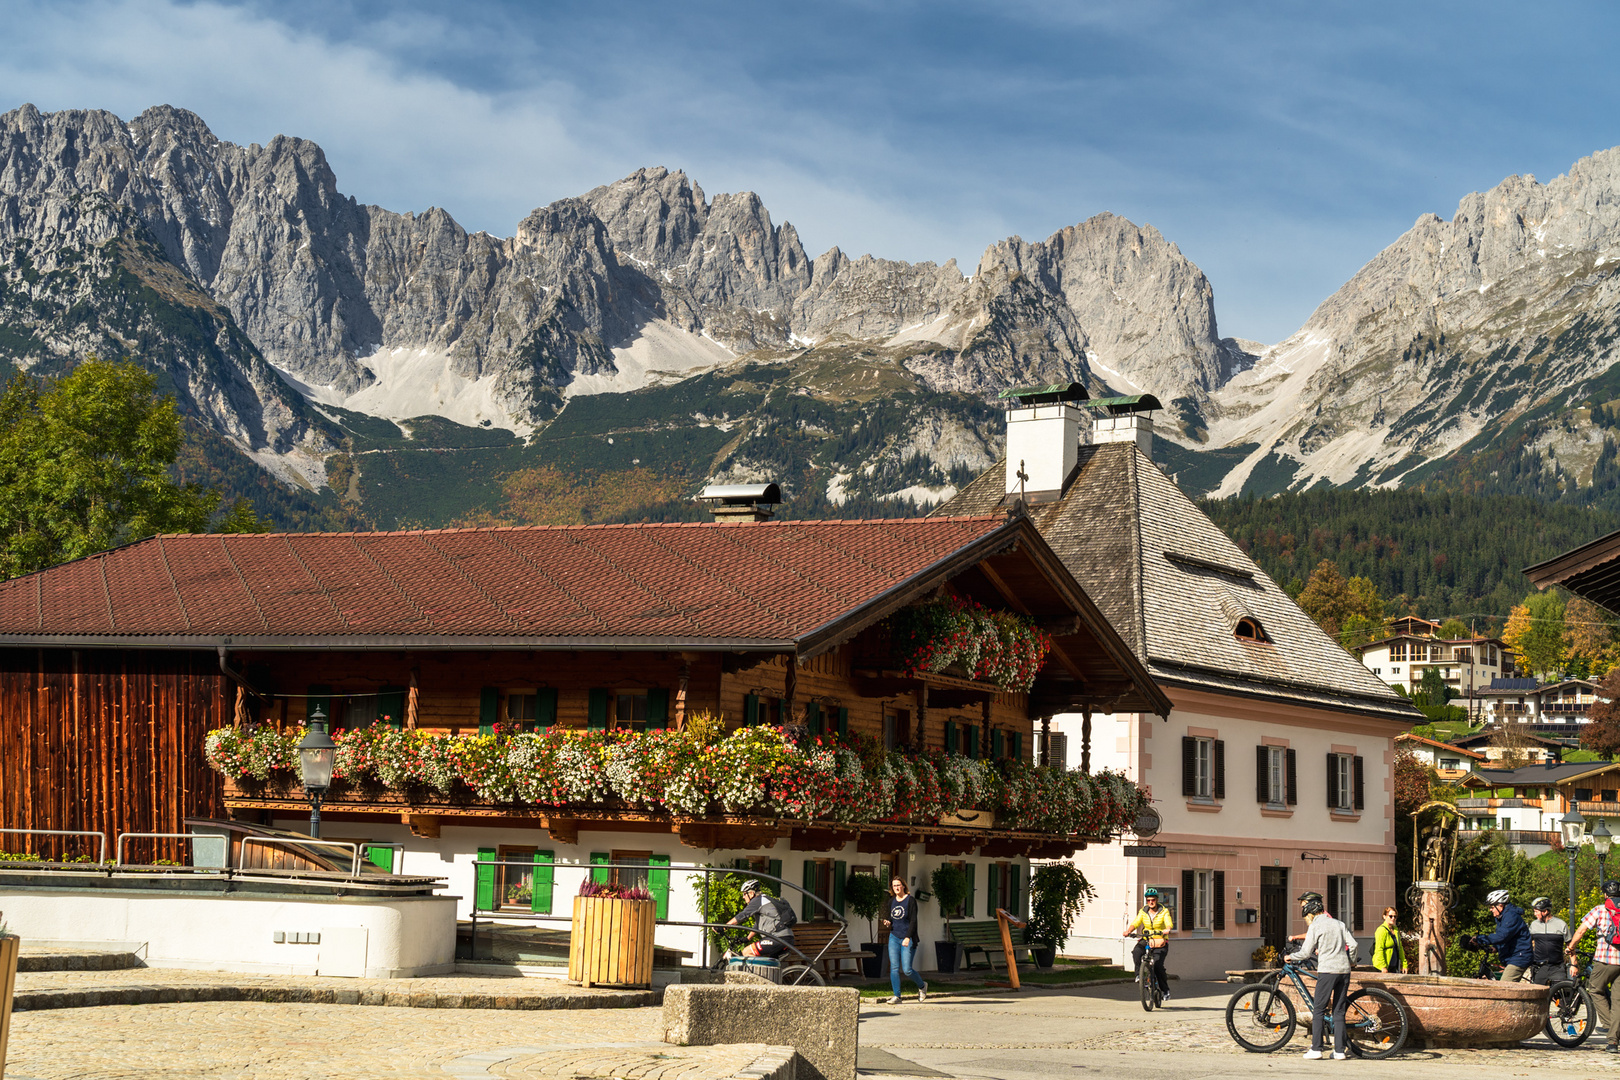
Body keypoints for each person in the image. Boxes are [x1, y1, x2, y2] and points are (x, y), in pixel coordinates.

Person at [1288, 890, 1357, 1061]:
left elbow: (1305, 953)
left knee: (1318, 1009)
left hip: (1327, 971)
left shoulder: (1315, 926)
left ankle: (1316, 1049)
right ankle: (1340, 1051)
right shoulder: (1339, 923)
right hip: (1344, 971)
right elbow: (1353, 945)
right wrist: (1352, 962)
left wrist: (1290, 957)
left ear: (1310, 912)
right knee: (1339, 1011)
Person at [1566, 879, 1620, 1055]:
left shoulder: (1600, 909)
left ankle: (1610, 1029)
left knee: (1595, 989)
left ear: (1605, 894)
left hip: (1605, 959)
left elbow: (1581, 930)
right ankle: (1613, 1040)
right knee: (1618, 1001)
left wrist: (1571, 947)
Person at [716, 879, 797, 966]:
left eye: (744, 894)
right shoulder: (764, 900)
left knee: (746, 952)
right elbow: (758, 925)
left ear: (751, 893)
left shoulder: (757, 901)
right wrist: (748, 938)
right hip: (785, 937)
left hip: (778, 937)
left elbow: (742, 915)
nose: (743, 897)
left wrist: (724, 927)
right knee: (768, 965)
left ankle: (753, 979)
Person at [1462, 888, 1533, 981]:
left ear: (1500, 906)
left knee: (1504, 987)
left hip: (1519, 957)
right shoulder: (1502, 917)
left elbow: (1502, 936)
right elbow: (1508, 938)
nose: (1490, 910)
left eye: (1492, 907)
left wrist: (1479, 938)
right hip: (1513, 956)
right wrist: (1495, 947)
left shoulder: (1511, 916)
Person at [880, 876, 927, 1004]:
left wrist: (907, 937)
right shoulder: (891, 901)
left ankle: (922, 986)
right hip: (894, 937)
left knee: (907, 970)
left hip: (908, 938)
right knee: (894, 968)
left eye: (898, 885)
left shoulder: (910, 901)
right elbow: (892, 917)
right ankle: (897, 996)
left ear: (904, 886)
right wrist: (888, 922)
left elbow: (913, 921)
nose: (896, 888)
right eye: (894, 886)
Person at [1123, 887, 1174, 1001]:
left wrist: (1167, 929)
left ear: (1157, 900)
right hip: (1146, 938)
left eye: (1153, 900)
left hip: (1160, 940)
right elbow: (1136, 922)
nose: (1151, 902)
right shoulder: (1143, 911)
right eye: (1148, 900)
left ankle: (1165, 990)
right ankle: (1138, 975)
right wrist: (1128, 931)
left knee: (1157, 965)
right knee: (1136, 952)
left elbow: (1168, 922)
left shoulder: (1164, 911)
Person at [1526, 897, 1572, 986]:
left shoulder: (1561, 924)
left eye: (1536, 911)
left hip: (1557, 967)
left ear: (1545, 911)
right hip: (1539, 967)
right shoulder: (1534, 925)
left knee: (1563, 994)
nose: (1534, 914)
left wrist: (1574, 965)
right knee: (1537, 994)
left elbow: (1570, 946)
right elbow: (1526, 943)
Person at [1372, 906, 1405, 974]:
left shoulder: (1395, 930)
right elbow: (1379, 949)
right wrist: (1382, 966)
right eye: (1390, 916)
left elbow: (1400, 948)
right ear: (1384, 916)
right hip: (1383, 967)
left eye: (1395, 916)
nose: (1393, 918)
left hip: (1393, 965)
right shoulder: (1381, 930)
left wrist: (1404, 964)